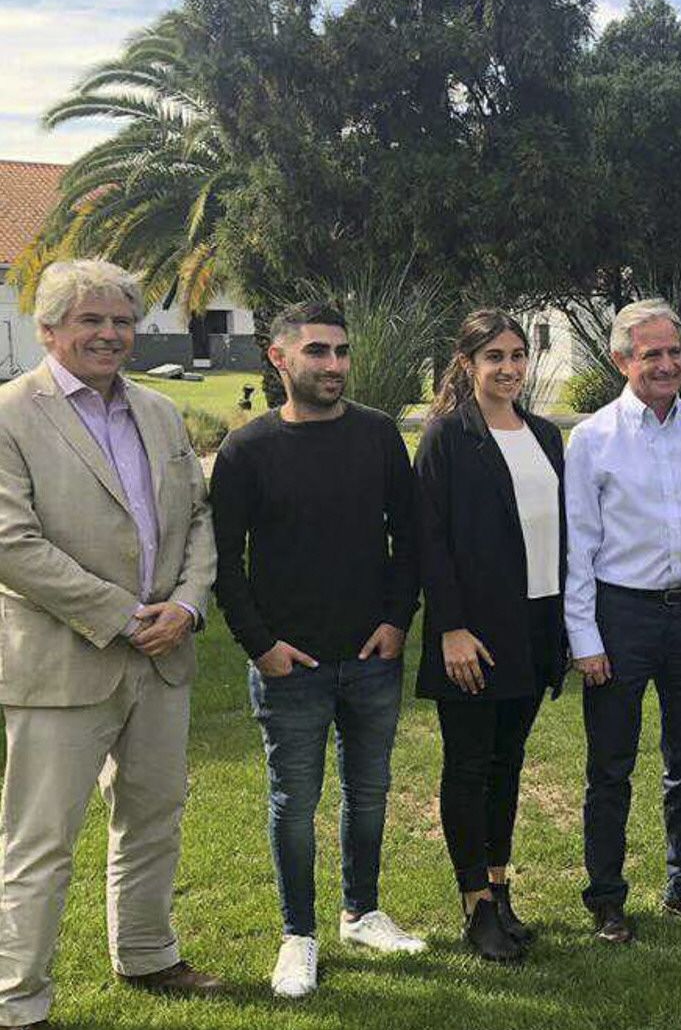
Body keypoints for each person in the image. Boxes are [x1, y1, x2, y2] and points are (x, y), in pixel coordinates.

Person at [0, 259, 224, 1028]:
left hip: (163, 657)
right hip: (63, 661)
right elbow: (12, 544)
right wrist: (128, 616)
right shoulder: (10, 415)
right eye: (90, 320)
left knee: (155, 815)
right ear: (48, 329)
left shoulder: (159, 412)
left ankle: (148, 952)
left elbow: (199, 518)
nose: (109, 334)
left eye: (122, 321)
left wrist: (187, 606)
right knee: (40, 840)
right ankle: (18, 1001)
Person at [209, 301, 427, 999]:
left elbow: (410, 537)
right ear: (279, 358)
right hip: (289, 667)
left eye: (342, 351)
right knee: (294, 802)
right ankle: (297, 934)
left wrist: (396, 621)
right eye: (318, 352)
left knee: (369, 794)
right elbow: (225, 563)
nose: (334, 365)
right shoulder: (246, 451)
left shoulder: (377, 434)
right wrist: (260, 646)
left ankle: (361, 913)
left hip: (372, 659)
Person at [565, 299, 681, 939]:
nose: (667, 364)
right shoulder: (593, 440)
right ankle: (607, 898)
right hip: (620, 615)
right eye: (652, 354)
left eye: (675, 352)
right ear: (622, 360)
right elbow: (579, 548)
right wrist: (584, 637)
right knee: (610, 767)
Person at [413, 310, 567, 960]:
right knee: (469, 765)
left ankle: (500, 890)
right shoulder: (448, 437)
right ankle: (474, 904)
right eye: (494, 357)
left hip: (534, 625)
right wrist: (451, 628)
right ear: (468, 363)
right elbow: (428, 540)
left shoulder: (545, 434)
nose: (508, 368)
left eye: (517, 355)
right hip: (473, 631)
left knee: (509, 764)